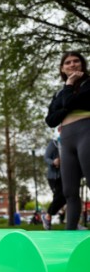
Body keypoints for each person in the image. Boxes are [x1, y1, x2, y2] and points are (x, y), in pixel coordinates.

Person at [46, 51, 90, 230]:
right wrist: (68, 98)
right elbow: (50, 119)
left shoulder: (88, 84)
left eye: (76, 61)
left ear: (82, 65)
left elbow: (72, 103)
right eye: (68, 63)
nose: (72, 65)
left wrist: (69, 89)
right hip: (67, 139)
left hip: (86, 132)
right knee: (69, 191)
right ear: (62, 69)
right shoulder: (60, 93)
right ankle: (70, 234)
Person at [43, 127, 65, 230]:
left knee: (67, 197)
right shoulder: (54, 143)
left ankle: (48, 216)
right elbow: (46, 157)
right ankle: (47, 216)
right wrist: (53, 162)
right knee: (59, 197)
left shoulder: (68, 143)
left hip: (65, 175)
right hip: (54, 177)